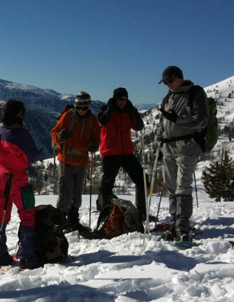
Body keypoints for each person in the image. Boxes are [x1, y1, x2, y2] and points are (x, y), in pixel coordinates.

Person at [155, 66, 208, 242]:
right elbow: (163, 122)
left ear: (178, 78)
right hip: (168, 148)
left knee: (182, 186)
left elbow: (202, 120)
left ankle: (182, 226)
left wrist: (177, 119)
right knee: (171, 188)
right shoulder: (168, 97)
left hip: (187, 146)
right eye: (166, 83)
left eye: (170, 81)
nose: (168, 85)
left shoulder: (195, 92)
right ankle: (174, 223)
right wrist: (158, 140)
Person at [0, 99, 41, 269]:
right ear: (20, 114)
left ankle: (0, 254)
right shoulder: (19, 133)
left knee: (1, 215)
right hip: (17, 178)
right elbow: (31, 156)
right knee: (27, 213)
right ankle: (26, 255)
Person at [51, 91, 101, 232]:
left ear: (89, 107)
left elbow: (97, 137)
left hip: (81, 161)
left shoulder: (92, 120)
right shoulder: (68, 116)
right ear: (75, 106)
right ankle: (59, 222)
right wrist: (60, 136)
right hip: (66, 160)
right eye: (79, 107)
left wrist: (95, 145)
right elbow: (54, 132)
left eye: (84, 108)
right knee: (64, 193)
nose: (81, 110)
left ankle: (73, 221)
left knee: (77, 193)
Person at [96, 88, 146, 222]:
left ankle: (142, 212)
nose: (123, 102)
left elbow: (139, 127)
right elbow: (103, 121)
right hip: (111, 153)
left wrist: (134, 111)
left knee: (142, 180)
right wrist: (111, 108)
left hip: (127, 152)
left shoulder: (128, 112)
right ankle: (105, 212)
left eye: (125, 99)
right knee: (107, 185)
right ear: (114, 99)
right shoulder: (104, 109)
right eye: (120, 99)